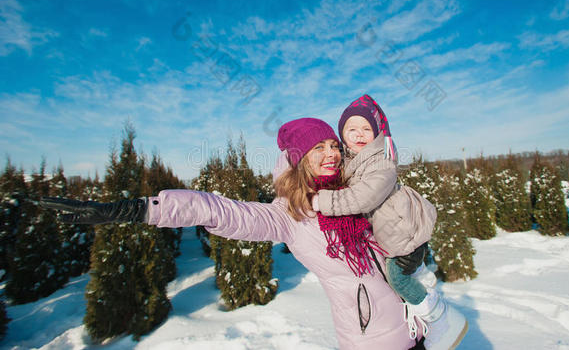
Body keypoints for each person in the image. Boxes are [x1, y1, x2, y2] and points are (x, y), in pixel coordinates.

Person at [42, 118, 425, 350]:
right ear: (296, 160)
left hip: (419, 325)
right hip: (372, 340)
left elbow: (410, 220)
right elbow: (217, 209)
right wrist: (137, 209)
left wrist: (415, 252)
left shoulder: (357, 193)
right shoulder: (289, 216)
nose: (331, 153)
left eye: (332, 145)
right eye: (317, 147)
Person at [310, 94, 467, 350]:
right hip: (395, 237)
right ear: (342, 134)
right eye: (352, 129)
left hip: (405, 236)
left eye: (366, 129)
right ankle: (422, 285)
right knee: (400, 275)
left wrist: (323, 202)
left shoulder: (381, 163)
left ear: (378, 133)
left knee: (397, 279)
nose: (359, 134)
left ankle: (441, 318)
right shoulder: (353, 161)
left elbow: (363, 198)